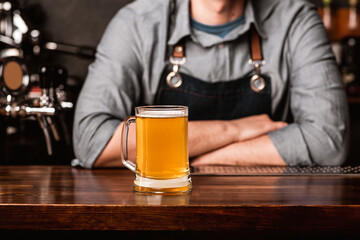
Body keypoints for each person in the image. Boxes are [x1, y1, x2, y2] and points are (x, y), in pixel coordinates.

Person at [72, 0, 349, 169]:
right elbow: (92, 142)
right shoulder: (136, 23)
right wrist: (233, 130)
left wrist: (187, 157)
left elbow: (327, 142)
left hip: (267, 218)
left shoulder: (295, 20)